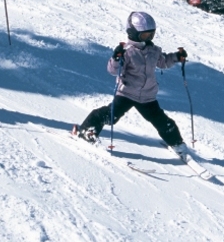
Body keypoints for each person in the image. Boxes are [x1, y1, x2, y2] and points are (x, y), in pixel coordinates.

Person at [73, 12, 190, 158]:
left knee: (161, 121)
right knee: (110, 116)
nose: (148, 39)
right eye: (144, 36)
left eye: (150, 35)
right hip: (127, 93)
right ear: (133, 33)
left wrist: (177, 57)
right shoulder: (127, 52)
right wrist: (116, 58)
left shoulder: (153, 50)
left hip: (147, 95)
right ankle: (87, 130)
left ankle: (176, 143)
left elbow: (163, 61)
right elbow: (112, 70)